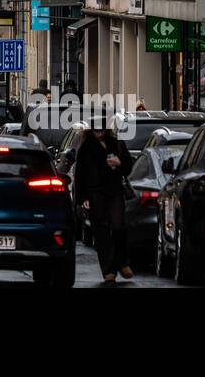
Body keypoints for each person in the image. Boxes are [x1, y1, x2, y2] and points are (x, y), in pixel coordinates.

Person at [73, 118, 134, 284]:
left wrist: (119, 163)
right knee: (101, 232)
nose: (99, 134)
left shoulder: (116, 144)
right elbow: (80, 175)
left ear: (106, 130)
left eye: (101, 131)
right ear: (91, 131)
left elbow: (128, 166)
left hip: (114, 190)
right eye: (96, 131)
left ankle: (122, 262)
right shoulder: (85, 148)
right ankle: (109, 270)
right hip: (95, 192)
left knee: (119, 226)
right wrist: (83, 198)